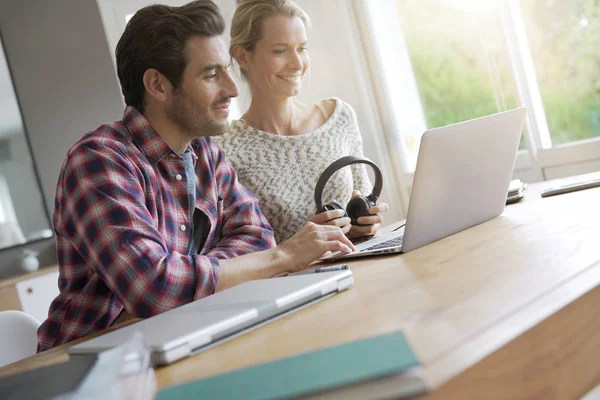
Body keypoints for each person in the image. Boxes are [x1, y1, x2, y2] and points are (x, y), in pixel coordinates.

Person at [37, 0, 354, 352]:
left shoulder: (205, 151)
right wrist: (283, 257)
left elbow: (257, 235)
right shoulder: (98, 161)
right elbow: (154, 287)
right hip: (91, 365)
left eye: (227, 71)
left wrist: (184, 277)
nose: (233, 89)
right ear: (158, 85)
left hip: (181, 339)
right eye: (210, 74)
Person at [214, 0, 389, 245]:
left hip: (359, 268)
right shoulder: (224, 151)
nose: (297, 63)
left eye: (302, 48)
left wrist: (364, 225)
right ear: (243, 56)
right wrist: (298, 244)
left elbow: (361, 204)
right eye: (280, 51)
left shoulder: (339, 118)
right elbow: (234, 256)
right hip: (293, 281)